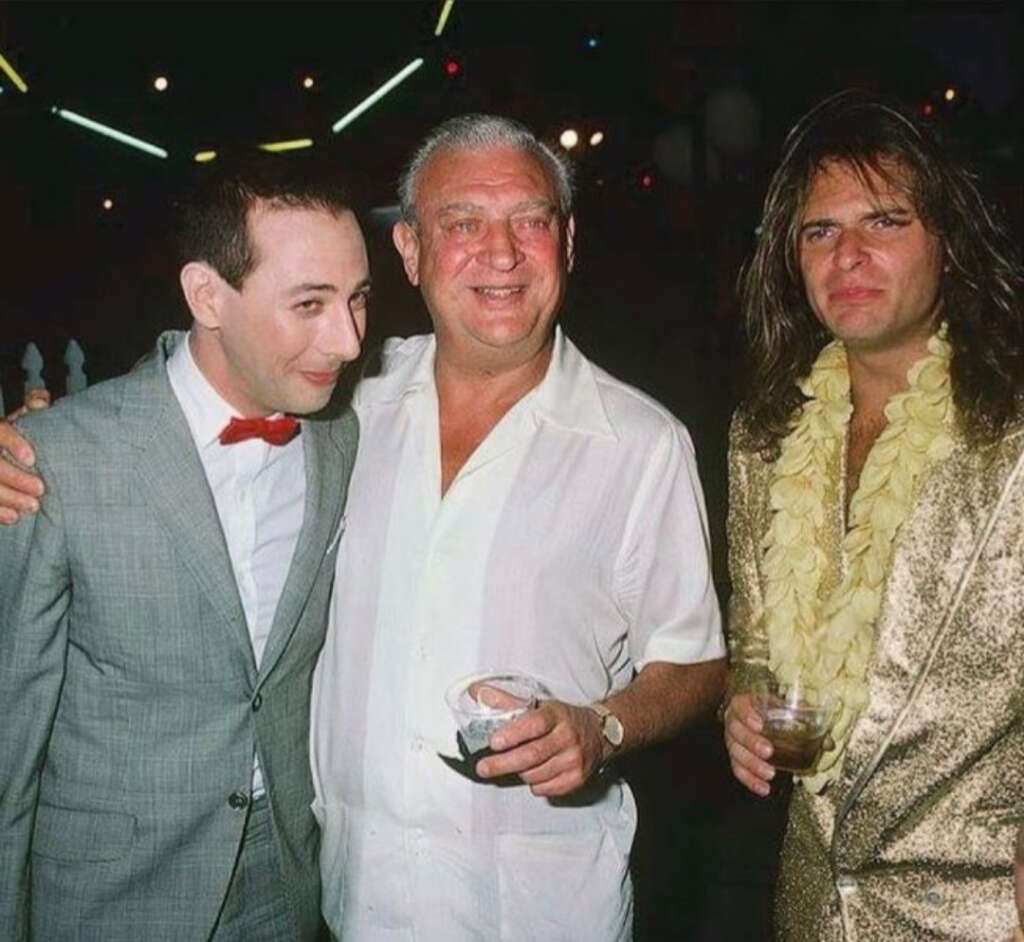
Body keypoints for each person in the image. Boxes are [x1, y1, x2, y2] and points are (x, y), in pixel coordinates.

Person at [308, 114, 726, 941]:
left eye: (529, 221)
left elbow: (697, 663)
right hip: (353, 897)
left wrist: (602, 726)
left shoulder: (640, 444)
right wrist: (46, 444)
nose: (500, 255)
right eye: (462, 223)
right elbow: (215, 370)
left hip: (540, 909)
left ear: (566, 242)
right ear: (411, 252)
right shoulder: (345, 405)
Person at [0, 158, 369, 940]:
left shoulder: (340, 437)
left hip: (289, 880)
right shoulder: (55, 459)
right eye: (309, 303)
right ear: (207, 295)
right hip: (113, 895)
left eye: (358, 299)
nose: (346, 340)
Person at [722, 90, 1024, 940]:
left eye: (885, 221)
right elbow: (754, 639)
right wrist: (744, 704)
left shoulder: (1010, 431)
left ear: (950, 242)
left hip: (986, 910)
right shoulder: (763, 435)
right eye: (820, 231)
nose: (847, 254)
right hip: (812, 905)